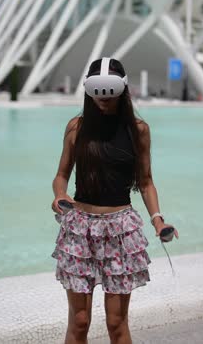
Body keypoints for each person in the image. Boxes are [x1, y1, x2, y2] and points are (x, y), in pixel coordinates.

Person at [51, 57, 179, 344]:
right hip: (79, 229)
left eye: (110, 93)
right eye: (98, 94)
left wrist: (158, 220)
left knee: (116, 322)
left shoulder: (139, 130)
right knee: (80, 321)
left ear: (122, 90)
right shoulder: (77, 127)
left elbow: (145, 182)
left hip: (121, 230)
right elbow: (61, 175)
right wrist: (60, 195)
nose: (103, 101)